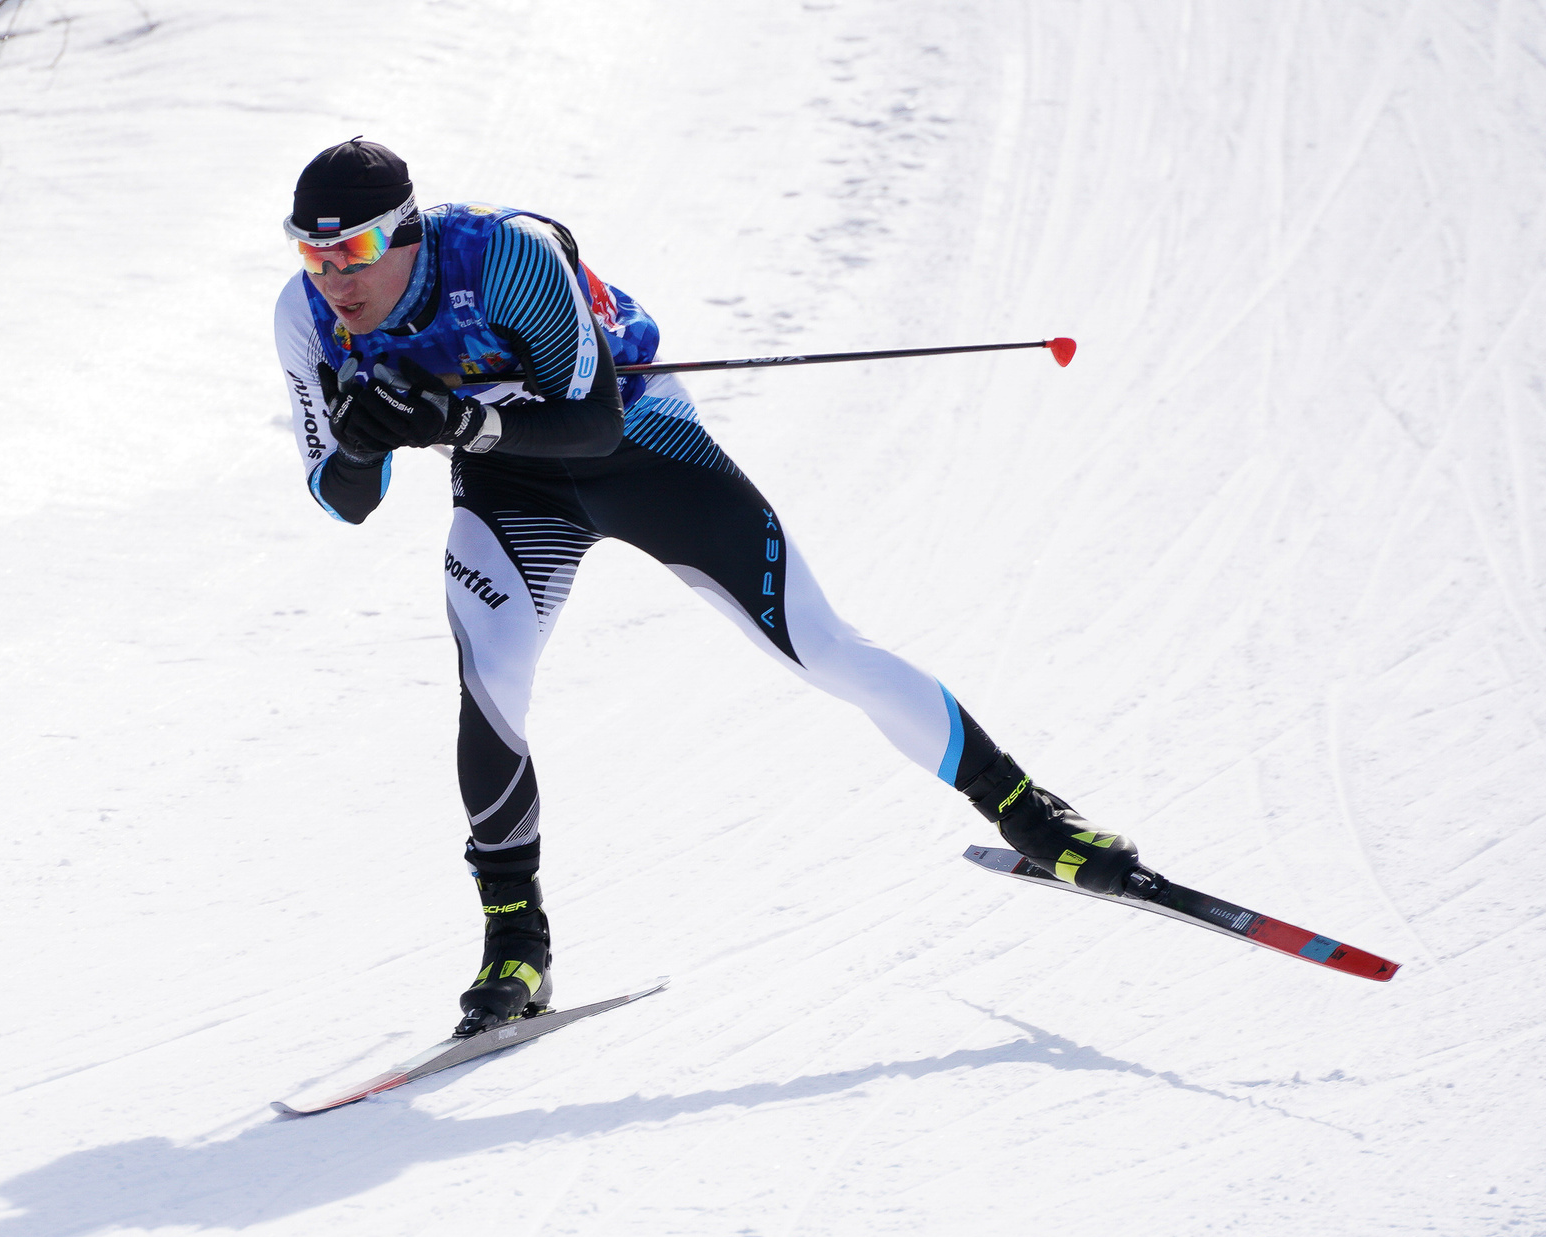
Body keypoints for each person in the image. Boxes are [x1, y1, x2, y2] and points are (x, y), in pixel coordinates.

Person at [273, 139, 1140, 1038]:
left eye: (358, 251)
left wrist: (457, 418)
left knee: (823, 647)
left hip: (640, 450)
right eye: (314, 253)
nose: (336, 277)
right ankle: (515, 943)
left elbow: (593, 423)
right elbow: (345, 501)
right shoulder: (304, 317)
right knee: (489, 684)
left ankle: (1033, 818)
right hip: (509, 487)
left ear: (406, 233)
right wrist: (368, 441)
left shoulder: (505, 255)